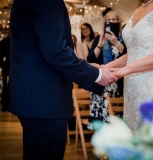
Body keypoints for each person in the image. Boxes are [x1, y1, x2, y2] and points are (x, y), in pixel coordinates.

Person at [7, 0, 117, 159]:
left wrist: (88, 67)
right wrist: (96, 75)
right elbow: (56, 52)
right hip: (45, 98)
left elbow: (44, 50)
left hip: (36, 96)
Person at [98, 0, 153, 133]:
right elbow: (134, 53)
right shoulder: (138, 8)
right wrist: (105, 67)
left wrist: (126, 70)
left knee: (152, 138)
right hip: (133, 89)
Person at [87, 9, 127, 129]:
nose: (111, 22)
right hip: (100, 85)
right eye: (108, 20)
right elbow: (90, 59)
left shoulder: (123, 38)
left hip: (117, 84)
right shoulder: (98, 38)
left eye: (114, 19)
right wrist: (100, 44)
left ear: (118, 22)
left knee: (115, 121)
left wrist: (116, 43)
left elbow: (129, 56)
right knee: (100, 121)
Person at [0, 34, 10, 111]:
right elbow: (0, 55)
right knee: (6, 86)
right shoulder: (4, 42)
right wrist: (3, 65)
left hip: (16, 67)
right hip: (7, 67)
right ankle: (5, 104)